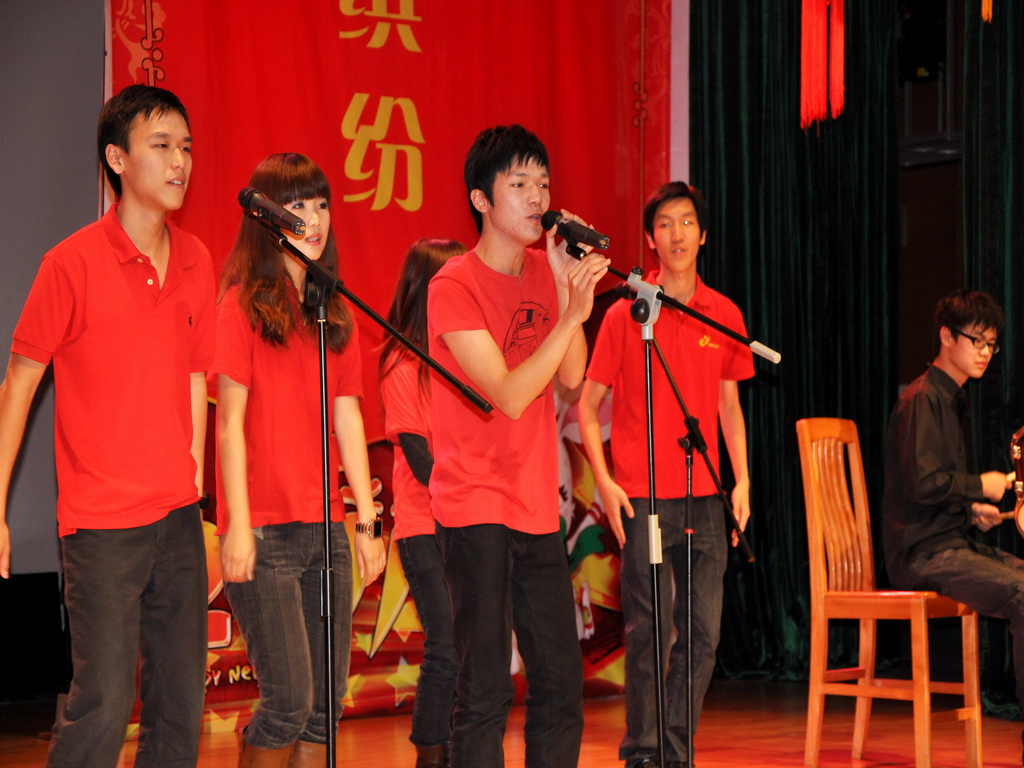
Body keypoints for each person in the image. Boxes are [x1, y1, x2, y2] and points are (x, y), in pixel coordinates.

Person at [0, 84, 213, 767]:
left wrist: (195, 486)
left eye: (186, 147)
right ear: (117, 159)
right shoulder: (70, 263)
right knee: (105, 703)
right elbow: (19, 385)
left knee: (179, 707)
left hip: (177, 518)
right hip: (100, 527)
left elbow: (195, 376)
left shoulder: (197, 259)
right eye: (162, 145)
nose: (179, 161)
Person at [427, 124, 609, 767]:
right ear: (481, 199)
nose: (538, 198)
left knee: (560, 681)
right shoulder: (453, 285)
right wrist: (569, 314)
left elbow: (571, 377)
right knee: (484, 688)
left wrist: (568, 290)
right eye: (520, 184)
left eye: (544, 184)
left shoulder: (544, 269)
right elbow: (506, 394)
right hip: (474, 505)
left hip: (534, 507)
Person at [214, 153, 386, 767]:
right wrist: (237, 525)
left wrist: (367, 524)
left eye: (320, 205)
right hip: (265, 532)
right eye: (296, 206)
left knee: (323, 708)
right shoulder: (240, 306)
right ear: (266, 217)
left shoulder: (332, 312)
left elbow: (349, 418)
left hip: (326, 531)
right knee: (288, 701)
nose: (314, 219)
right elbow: (228, 425)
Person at [578, 182, 754, 768]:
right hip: (643, 497)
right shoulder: (627, 314)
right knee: (648, 629)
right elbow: (587, 404)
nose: (676, 234)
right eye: (664, 224)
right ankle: (642, 751)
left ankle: (675, 751)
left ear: (703, 235)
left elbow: (729, 407)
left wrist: (742, 481)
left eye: (686, 222)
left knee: (702, 634)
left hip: (706, 496)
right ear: (650, 240)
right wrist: (605, 482)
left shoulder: (723, 313)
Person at [882, 289, 1024, 763]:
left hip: (947, 543)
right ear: (947, 336)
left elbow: (933, 489)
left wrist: (971, 511)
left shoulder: (947, 398)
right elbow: (923, 484)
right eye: (976, 341)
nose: (985, 352)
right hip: (922, 553)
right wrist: (979, 485)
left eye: (991, 345)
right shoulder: (923, 398)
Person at [378, 237, 465, 768]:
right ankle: (431, 756)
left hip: (466, 521)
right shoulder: (402, 364)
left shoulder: (462, 356)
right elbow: (420, 458)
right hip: (424, 526)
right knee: (446, 643)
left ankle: (459, 750)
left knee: (469, 645)